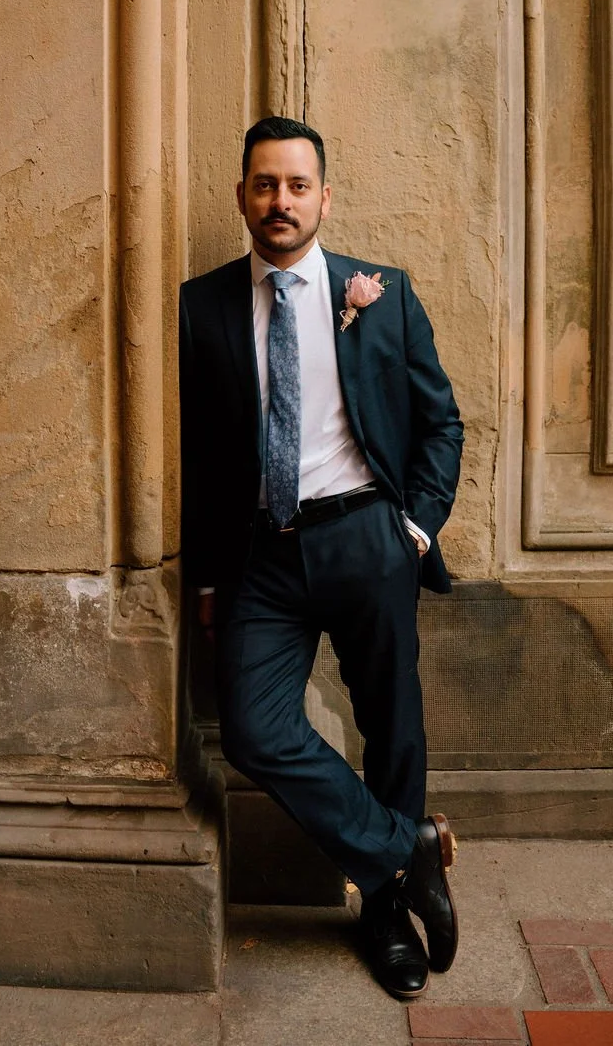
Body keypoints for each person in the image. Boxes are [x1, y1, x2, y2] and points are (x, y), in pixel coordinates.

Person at [178, 116, 464, 1001]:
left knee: (394, 726)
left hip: (366, 538)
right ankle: (400, 852)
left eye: (297, 185)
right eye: (264, 185)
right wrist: (209, 577)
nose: (280, 201)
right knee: (257, 730)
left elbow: (440, 422)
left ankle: (383, 920)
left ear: (325, 197)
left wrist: (412, 530)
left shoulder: (382, 292)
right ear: (241, 197)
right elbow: (196, 453)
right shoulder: (203, 304)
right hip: (263, 554)